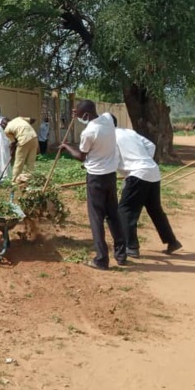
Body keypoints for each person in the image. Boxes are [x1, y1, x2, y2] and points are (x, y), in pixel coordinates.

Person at [60, 101, 128, 270]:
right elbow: (101, 114)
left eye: (80, 115)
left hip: (96, 178)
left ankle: (101, 259)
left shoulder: (89, 132)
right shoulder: (107, 119)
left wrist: (66, 147)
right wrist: (80, 111)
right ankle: (121, 255)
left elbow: (81, 156)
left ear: (85, 115)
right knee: (113, 215)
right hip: (110, 176)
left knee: (96, 218)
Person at [113, 116, 181, 256]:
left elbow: (111, 159)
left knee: (125, 210)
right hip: (152, 171)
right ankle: (172, 242)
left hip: (138, 174)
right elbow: (151, 146)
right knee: (155, 210)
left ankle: (131, 247)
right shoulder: (129, 132)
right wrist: (144, 161)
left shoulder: (109, 137)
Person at [2, 115, 38, 182]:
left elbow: (13, 143)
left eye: (2, 126)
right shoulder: (18, 118)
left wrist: (12, 154)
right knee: (31, 161)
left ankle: (15, 180)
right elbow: (32, 119)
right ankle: (29, 179)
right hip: (34, 138)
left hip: (23, 140)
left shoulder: (6, 130)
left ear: (4, 124)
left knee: (19, 161)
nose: (2, 128)